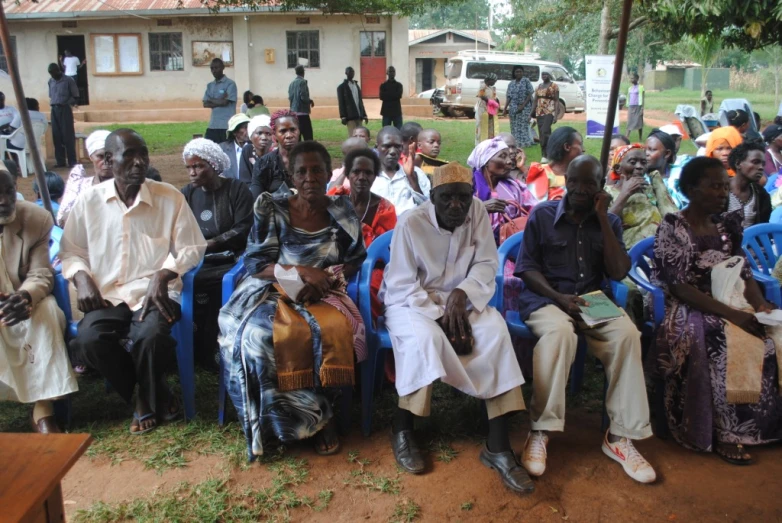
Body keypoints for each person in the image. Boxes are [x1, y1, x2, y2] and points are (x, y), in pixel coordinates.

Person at [382, 161, 532, 493]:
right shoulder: (411, 223)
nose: (456, 206)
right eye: (447, 197)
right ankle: (403, 428)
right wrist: (443, 319)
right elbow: (402, 284)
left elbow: (487, 263)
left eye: (463, 197)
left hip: (464, 298)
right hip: (412, 302)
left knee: (495, 334)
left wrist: (462, 294)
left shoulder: (476, 211)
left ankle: (498, 446)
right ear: (432, 196)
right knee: (425, 340)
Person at [219, 140, 366, 459]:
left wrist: (328, 275)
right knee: (257, 338)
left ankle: (322, 420)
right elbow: (257, 264)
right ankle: (273, 429)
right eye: (302, 171)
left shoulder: (342, 210)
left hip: (326, 289)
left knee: (327, 332)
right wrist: (299, 272)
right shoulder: (270, 205)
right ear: (291, 174)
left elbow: (357, 257)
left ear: (330, 173)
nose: (310, 177)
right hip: (271, 288)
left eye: (317, 170)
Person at [517, 155, 656, 484]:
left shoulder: (609, 221)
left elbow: (619, 271)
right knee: (559, 335)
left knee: (627, 335)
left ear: (600, 187)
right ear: (566, 181)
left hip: (592, 300)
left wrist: (604, 219)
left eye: (589, 183)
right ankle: (540, 431)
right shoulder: (543, 215)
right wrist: (558, 298)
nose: (580, 189)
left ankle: (619, 438)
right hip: (547, 297)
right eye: (575, 181)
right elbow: (526, 268)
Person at [61, 129, 207, 435]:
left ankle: (144, 398)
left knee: (151, 336)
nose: (139, 162)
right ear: (110, 160)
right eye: (130, 155)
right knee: (88, 340)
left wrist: (163, 274)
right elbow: (71, 250)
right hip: (108, 294)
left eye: (143, 154)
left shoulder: (169, 197)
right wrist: (82, 276)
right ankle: (152, 391)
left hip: (154, 293)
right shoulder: (89, 202)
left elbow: (192, 247)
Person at [651, 156, 782, 464]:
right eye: (714, 186)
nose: (723, 192)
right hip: (688, 306)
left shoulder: (726, 225)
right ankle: (724, 432)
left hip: (731, 300)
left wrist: (759, 304)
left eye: (725, 186)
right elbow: (679, 286)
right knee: (718, 338)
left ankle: (765, 425)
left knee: (770, 335)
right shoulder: (674, 226)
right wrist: (733, 314)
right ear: (691, 189)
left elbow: (743, 270)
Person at [0, 165, 78, 434]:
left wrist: (25, 296)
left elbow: (41, 272)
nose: (4, 200)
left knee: (47, 314)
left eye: (9, 191)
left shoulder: (35, 218)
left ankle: (43, 410)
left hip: (21, 297)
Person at [181, 139, 253, 370]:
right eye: (189, 167)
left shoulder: (237, 189)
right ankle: (195, 347)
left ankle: (216, 348)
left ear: (213, 165)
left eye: (199, 166)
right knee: (183, 282)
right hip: (197, 260)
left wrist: (209, 244)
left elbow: (243, 227)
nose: (193, 173)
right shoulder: (187, 194)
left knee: (214, 284)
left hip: (232, 258)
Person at [327, 147, 396, 319]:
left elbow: (386, 250)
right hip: (334, 262)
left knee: (371, 288)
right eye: (356, 172)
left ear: (375, 176)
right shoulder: (336, 198)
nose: (362, 177)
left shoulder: (385, 209)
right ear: (348, 174)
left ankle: (365, 337)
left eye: (368, 173)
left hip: (370, 265)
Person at [468, 137, 537, 244]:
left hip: (512, 247)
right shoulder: (468, 188)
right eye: (502, 156)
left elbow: (535, 210)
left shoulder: (516, 187)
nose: (509, 161)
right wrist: (481, 208)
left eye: (509, 156)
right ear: (486, 161)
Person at [607, 143, 677, 249]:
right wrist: (625, 193)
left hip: (661, 250)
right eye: (633, 162)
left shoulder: (649, 188)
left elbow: (672, 217)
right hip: (631, 254)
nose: (639, 167)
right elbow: (605, 225)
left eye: (643, 163)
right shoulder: (608, 193)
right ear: (618, 168)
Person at [372, 126, 431, 216]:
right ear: (377, 147)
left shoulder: (416, 173)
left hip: (410, 227)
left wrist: (412, 178)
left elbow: (428, 209)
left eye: (397, 147)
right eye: (387, 146)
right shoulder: (368, 176)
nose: (392, 151)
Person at [58, 130, 112, 227]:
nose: (106, 162)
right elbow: (63, 220)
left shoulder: (125, 187)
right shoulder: (78, 186)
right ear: (91, 157)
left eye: (110, 156)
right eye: (100, 156)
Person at [250, 110, 301, 200]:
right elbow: (257, 201)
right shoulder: (263, 164)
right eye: (283, 131)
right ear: (274, 135)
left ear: (299, 130)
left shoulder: (311, 160)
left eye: (293, 130)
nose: (289, 135)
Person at [526, 126, 582, 202]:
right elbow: (534, 206)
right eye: (580, 145)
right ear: (567, 147)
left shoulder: (582, 173)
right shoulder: (541, 173)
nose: (583, 149)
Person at [725, 141, 770, 228]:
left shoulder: (761, 195)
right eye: (755, 162)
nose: (761, 167)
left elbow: (763, 229)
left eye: (763, 164)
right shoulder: (718, 190)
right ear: (738, 164)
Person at [47, 63, 79, 168]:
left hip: (64, 109)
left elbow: (75, 96)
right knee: (56, 136)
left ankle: (72, 161)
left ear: (58, 70)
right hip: (54, 109)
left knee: (68, 135)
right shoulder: (50, 81)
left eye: (53, 72)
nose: (52, 75)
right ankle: (60, 161)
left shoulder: (68, 80)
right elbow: (51, 96)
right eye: (50, 73)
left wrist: (65, 103)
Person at [202, 58, 238, 144]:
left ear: (223, 68)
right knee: (209, 151)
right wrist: (220, 100)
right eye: (212, 68)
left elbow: (225, 102)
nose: (214, 70)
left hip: (227, 126)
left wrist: (211, 100)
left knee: (227, 152)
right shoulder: (210, 85)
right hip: (213, 125)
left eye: (216, 68)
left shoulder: (230, 84)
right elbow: (205, 104)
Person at [504, 66, 535, 148]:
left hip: (524, 108)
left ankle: (524, 143)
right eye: (517, 72)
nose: (519, 73)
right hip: (513, 108)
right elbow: (509, 97)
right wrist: (505, 108)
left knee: (523, 125)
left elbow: (530, 94)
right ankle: (515, 143)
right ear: (514, 73)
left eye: (520, 71)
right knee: (514, 126)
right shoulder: (511, 83)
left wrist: (523, 105)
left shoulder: (526, 81)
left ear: (523, 72)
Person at [238, 115, 273, 186]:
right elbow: (245, 180)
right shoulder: (248, 150)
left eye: (268, 134)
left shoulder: (276, 153)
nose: (264, 138)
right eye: (259, 133)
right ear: (251, 136)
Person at [534, 71, 560, 162]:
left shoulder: (554, 86)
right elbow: (535, 101)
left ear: (549, 75)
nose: (544, 76)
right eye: (542, 75)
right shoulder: (538, 87)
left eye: (546, 74)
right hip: (539, 112)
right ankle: (544, 154)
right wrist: (531, 113)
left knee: (545, 131)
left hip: (549, 111)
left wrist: (556, 115)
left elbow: (557, 100)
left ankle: (548, 153)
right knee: (541, 134)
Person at [337, 67, 368, 137]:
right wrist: (343, 116)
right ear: (346, 73)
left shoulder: (356, 86)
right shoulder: (341, 87)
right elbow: (341, 103)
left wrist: (364, 114)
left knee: (360, 135)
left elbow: (360, 101)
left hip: (359, 115)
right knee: (352, 136)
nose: (351, 73)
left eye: (353, 72)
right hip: (350, 116)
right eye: (350, 72)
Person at [219, 113, 250, 181]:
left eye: (249, 126)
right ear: (234, 132)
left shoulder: (256, 147)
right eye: (244, 127)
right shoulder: (222, 149)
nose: (248, 130)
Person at [288, 65, 314, 141]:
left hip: (294, 113)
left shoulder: (292, 83)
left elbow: (290, 97)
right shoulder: (302, 82)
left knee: (297, 136)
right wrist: (309, 101)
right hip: (303, 113)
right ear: (303, 72)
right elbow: (303, 97)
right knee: (308, 136)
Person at [475, 73, 498, 145]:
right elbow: (481, 96)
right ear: (489, 80)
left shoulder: (492, 88)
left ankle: (488, 141)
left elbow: (494, 97)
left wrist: (495, 103)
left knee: (489, 124)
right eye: (494, 81)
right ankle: (479, 142)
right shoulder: (483, 86)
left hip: (489, 109)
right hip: (482, 109)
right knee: (480, 124)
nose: (495, 82)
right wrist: (490, 102)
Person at [626, 73, 645, 141]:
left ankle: (640, 137)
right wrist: (627, 106)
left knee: (639, 122)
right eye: (631, 78)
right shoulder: (630, 88)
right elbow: (629, 97)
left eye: (633, 78)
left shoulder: (641, 87)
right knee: (630, 121)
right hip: (631, 106)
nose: (631, 80)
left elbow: (642, 98)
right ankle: (627, 136)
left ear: (637, 79)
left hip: (638, 106)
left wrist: (642, 108)